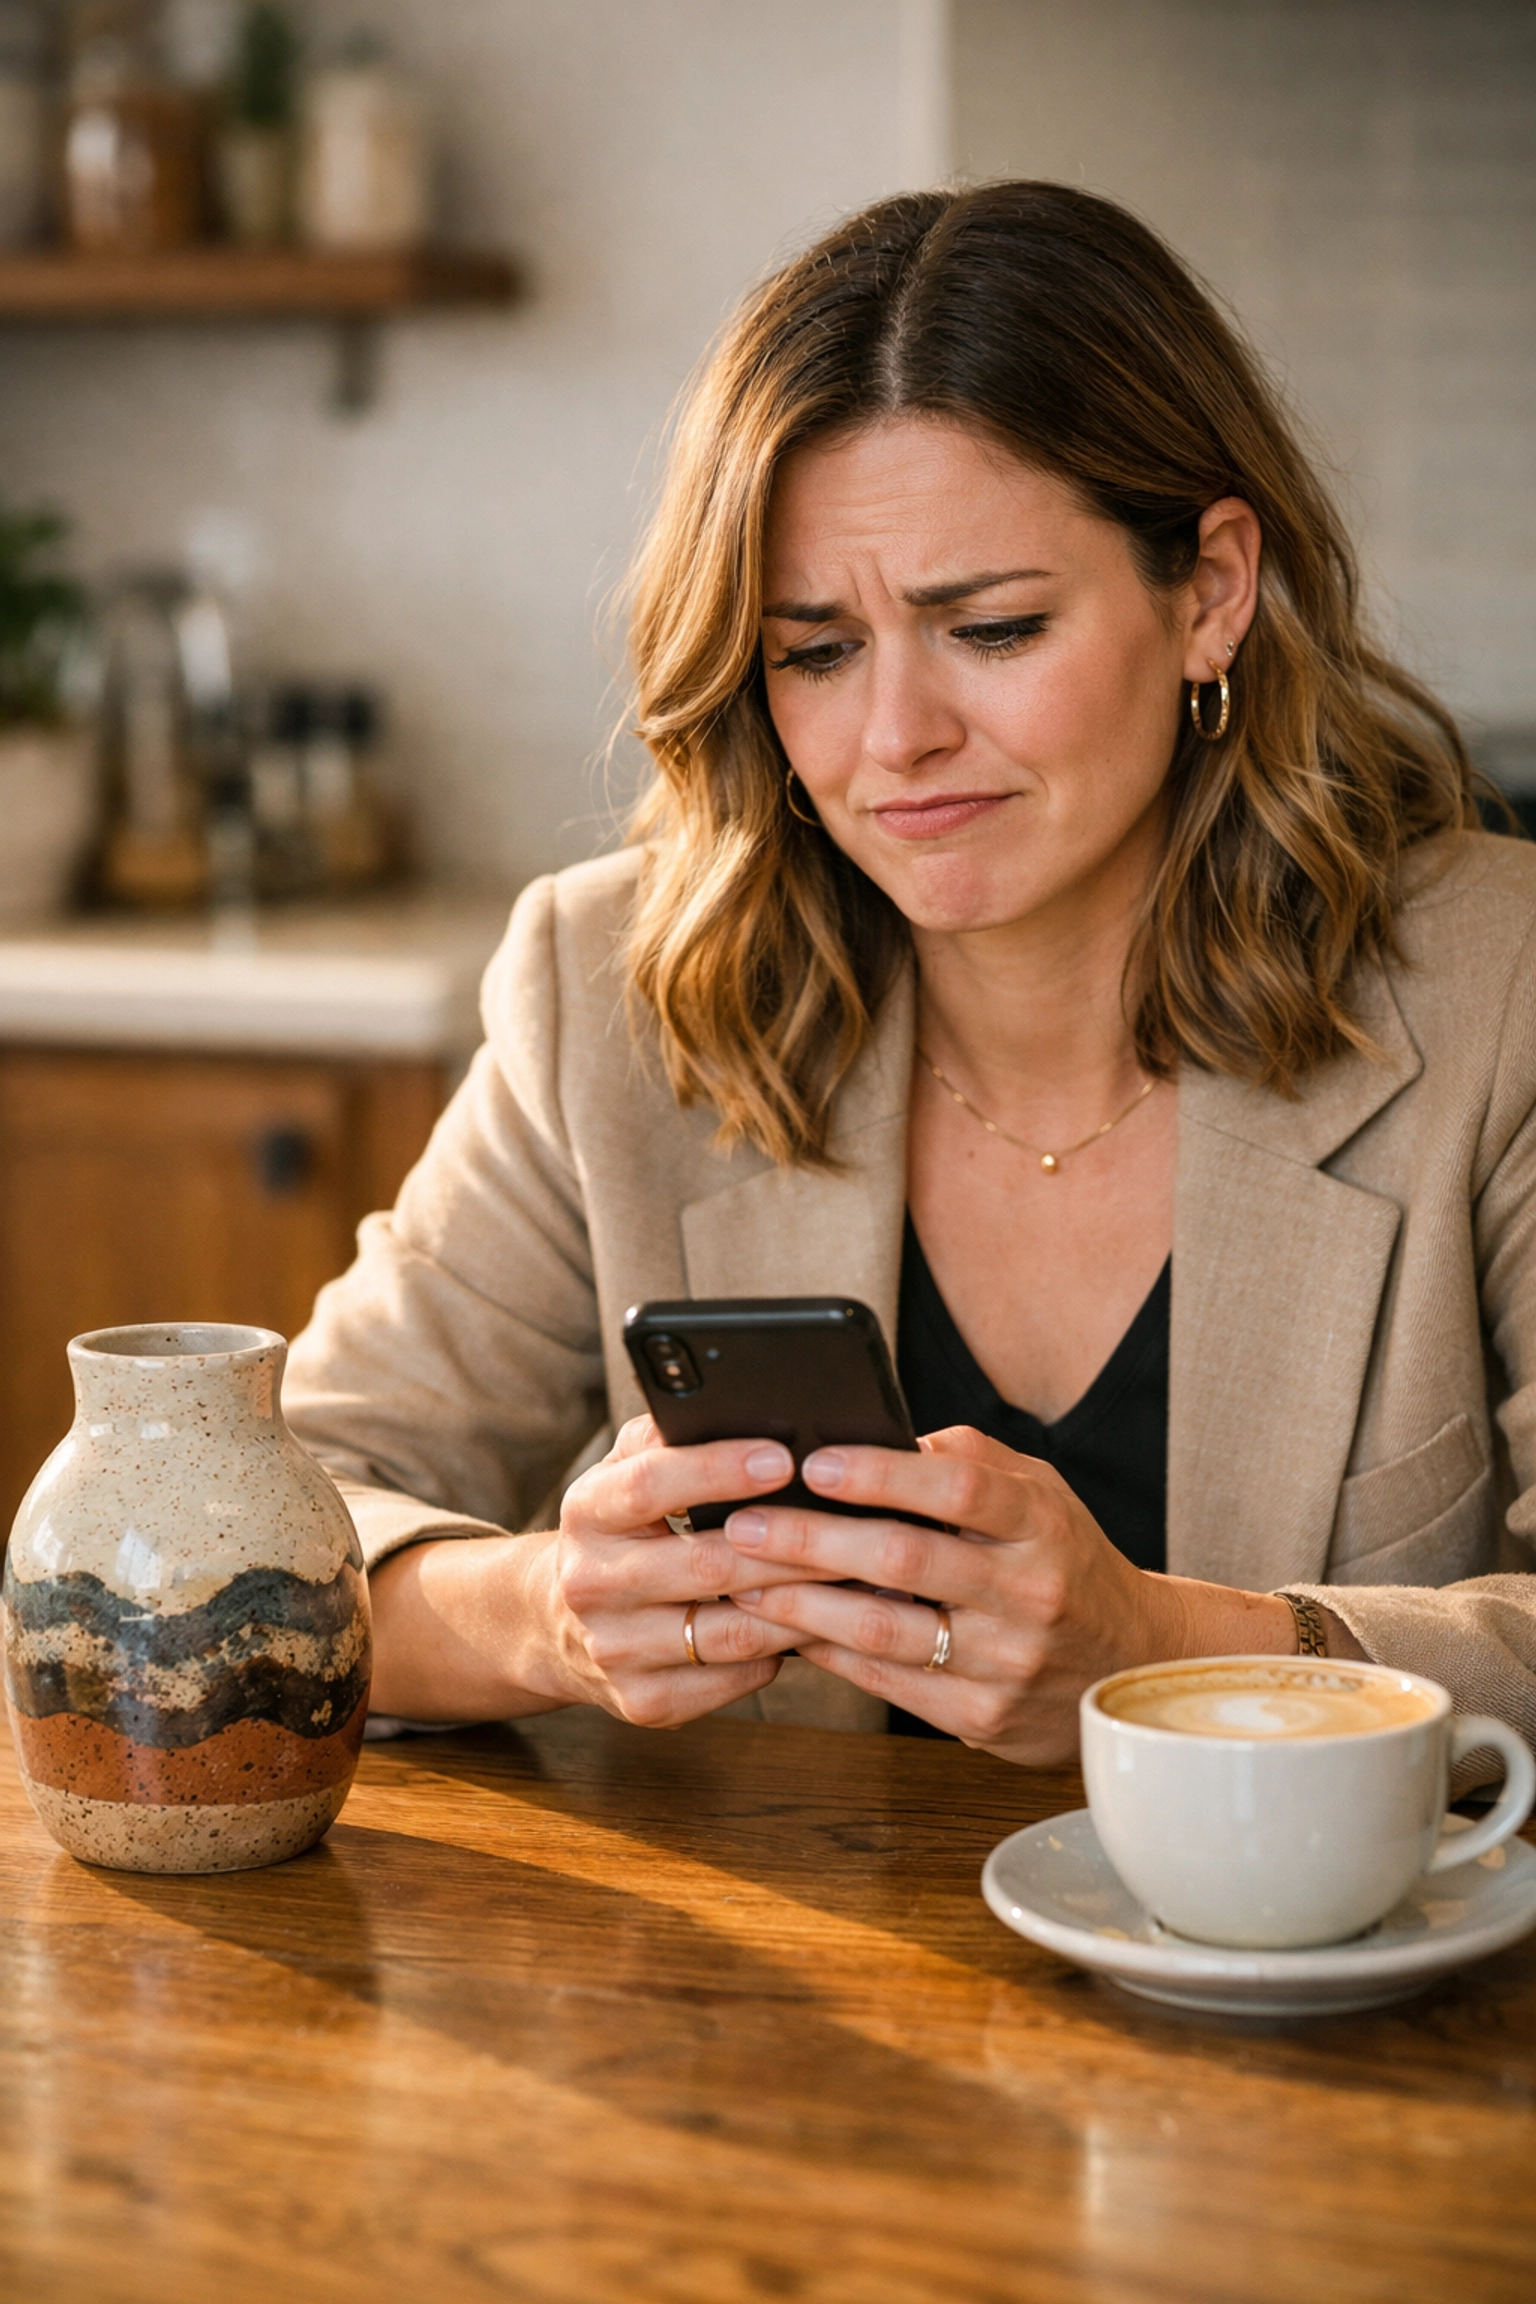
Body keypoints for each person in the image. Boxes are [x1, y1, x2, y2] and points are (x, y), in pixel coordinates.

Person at [285, 180, 1536, 1770]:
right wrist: (544, 1612)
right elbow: (243, 1539)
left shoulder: (1506, 988)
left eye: (994, 628)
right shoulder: (611, 985)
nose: (895, 743)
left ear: (1210, 592)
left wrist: (1160, 1653)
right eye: (814, 651)